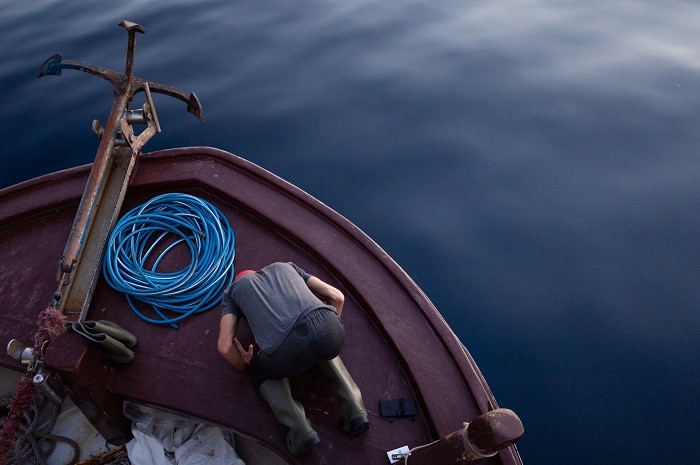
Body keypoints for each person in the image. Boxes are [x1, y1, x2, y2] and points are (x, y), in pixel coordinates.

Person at [217, 262, 369, 456]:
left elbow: (224, 346)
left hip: (286, 352)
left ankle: (301, 431)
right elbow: (337, 296)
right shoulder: (286, 266)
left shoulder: (232, 293)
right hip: (331, 328)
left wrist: (244, 364)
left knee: (257, 370)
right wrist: (330, 326)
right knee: (321, 342)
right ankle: (356, 411)